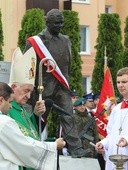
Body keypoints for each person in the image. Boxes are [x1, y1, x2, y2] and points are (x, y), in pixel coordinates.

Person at [24, 8, 91, 157]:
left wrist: (67, 84)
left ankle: (75, 148)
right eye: (56, 23)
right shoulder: (36, 42)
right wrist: (29, 89)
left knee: (68, 115)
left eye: (61, 23)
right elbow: (27, 68)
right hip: (41, 89)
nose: (60, 26)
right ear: (47, 22)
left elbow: (67, 64)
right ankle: (30, 147)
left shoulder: (66, 40)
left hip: (61, 88)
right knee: (37, 121)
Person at [0, 82, 66, 170]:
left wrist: (36, 115)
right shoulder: (4, 118)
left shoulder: (21, 109)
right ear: (14, 87)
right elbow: (24, 146)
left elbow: (29, 132)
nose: (29, 96)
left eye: (31, 92)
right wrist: (53, 146)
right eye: (26, 91)